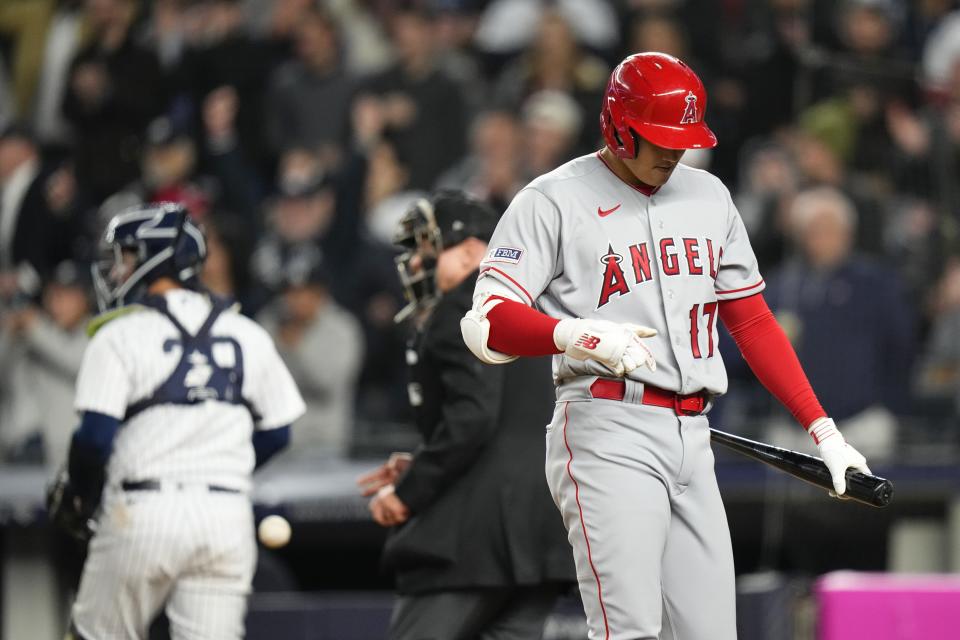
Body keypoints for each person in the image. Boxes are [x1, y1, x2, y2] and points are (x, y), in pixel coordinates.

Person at [459, 52, 873, 639]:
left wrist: (822, 429)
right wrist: (573, 333)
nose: (673, 150)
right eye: (658, 137)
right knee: (629, 633)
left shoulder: (708, 196)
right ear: (617, 123)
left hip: (695, 435)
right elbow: (486, 322)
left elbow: (751, 321)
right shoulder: (552, 198)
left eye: (682, 137)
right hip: (608, 426)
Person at [58, 202, 305, 639]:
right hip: (225, 516)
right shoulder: (245, 331)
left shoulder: (121, 333)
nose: (118, 270)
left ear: (155, 259)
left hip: (142, 510)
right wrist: (221, 464)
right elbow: (279, 430)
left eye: (128, 256)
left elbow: (94, 438)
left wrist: (80, 494)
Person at [358, 191, 575, 640]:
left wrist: (411, 491)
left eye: (429, 250)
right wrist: (422, 461)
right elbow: (506, 420)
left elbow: (473, 418)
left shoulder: (465, 306)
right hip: (545, 524)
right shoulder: (531, 304)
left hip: (478, 537)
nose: (417, 263)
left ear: (475, 251)